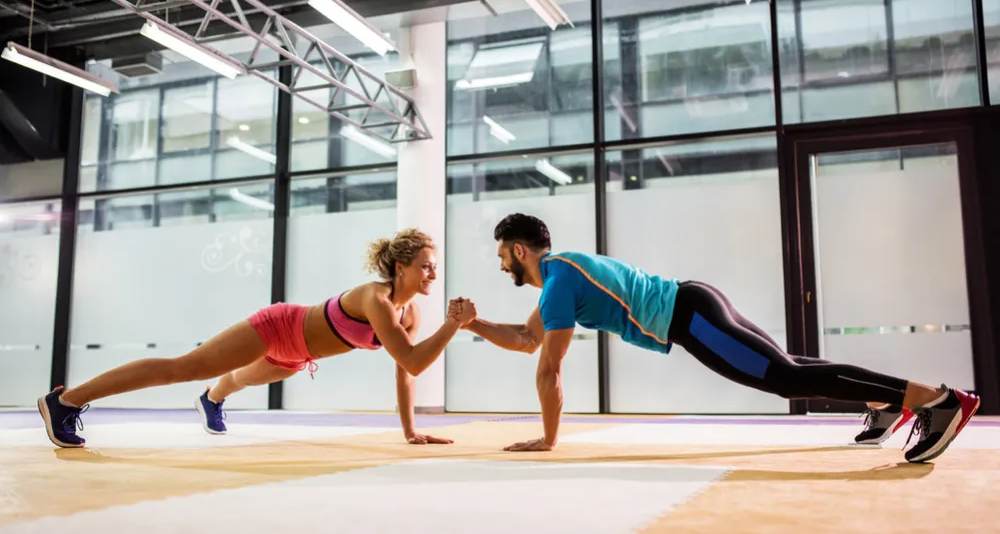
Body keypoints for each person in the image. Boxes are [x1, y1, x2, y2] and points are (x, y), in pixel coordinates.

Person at [450, 213, 979, 463]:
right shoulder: (562, 279)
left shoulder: (560, 280)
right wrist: (471, 324)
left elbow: (548, 367)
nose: (501, 267)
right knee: (787, 364)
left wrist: (548, 439)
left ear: (520, 251)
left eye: (502, 256)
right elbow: (525, 338)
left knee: (784, 379)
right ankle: (887, 403)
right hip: (694, 302)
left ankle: (937, 400)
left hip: (690, 316)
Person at [38, 228, 476, 449]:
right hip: (278, 327)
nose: (432, 273)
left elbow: (406, 370)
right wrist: (453, 325)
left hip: (297, 355)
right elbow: (416, 360)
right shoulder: (376, 298)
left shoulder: (410, 312)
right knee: (184, 367)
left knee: (238, 381)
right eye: (425, 265)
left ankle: (210, 401)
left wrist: (411, 431)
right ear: (400, 267)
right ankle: (66, 401)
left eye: (434, 266)